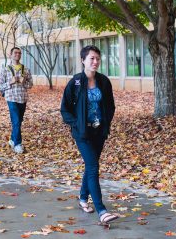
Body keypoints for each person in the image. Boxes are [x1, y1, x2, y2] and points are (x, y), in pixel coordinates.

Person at [60, 45, 119, 225]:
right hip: (82, 133)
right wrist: (76, 125)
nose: (95, 62)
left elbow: (110, 105)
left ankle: (83, 198)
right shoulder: (76, 83)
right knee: (93, 167)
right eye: (92, 58)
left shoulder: (104, 81)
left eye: (97, 59)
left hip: (99, 132)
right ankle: (101, 211)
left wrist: (106, 122)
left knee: (91, 166)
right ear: (83, 60)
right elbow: (65, 109)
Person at [0, 47, 33, 154]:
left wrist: (23, 82)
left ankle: (12, 139)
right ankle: (18, 144)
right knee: (16, 121)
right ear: (10, 54)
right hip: (11, 98)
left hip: (22, 98)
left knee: (18, 121)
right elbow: (0, 86)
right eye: (15, 53)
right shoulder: (5, 69)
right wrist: (10, 82)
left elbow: (30, 85)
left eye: (19, 53)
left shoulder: (26, 69)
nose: (17, 54)